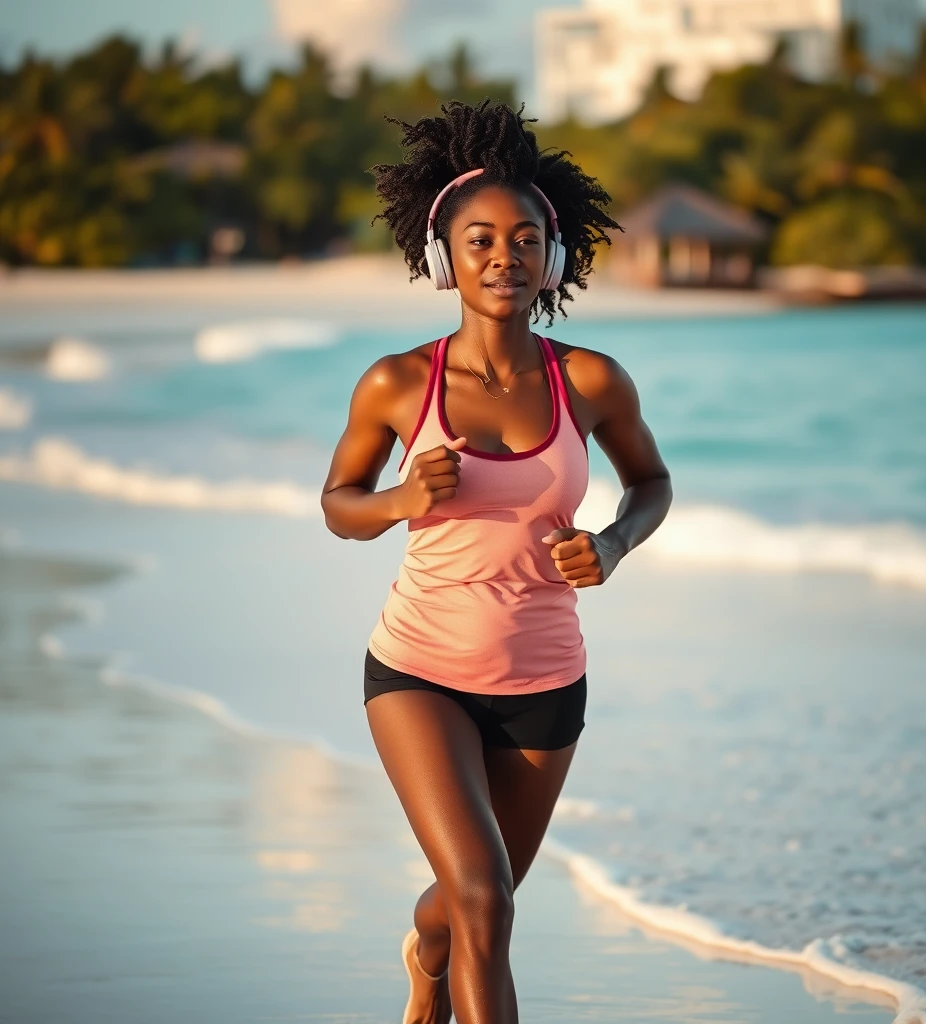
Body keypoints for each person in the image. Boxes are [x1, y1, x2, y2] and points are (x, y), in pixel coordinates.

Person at [321, 99, 672, 1024]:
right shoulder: (398, 382)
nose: (502, 257)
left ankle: (427, 957)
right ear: (443, 257)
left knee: (478, 899)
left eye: (523, 240)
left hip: (547, 680)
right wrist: (399, 499)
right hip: (419, 669)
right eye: (479, 240)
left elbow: (652, 484)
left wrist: (613, 543)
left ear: (552, 257)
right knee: (484, 894)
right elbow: (338, 506)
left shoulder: (590, 380)